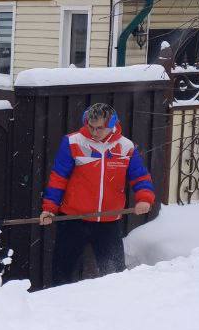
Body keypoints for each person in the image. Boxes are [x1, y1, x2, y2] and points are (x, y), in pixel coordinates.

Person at [39, 102, 155, 285]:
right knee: (63, 274)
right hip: (73, 220)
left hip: (108, 222)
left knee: (115, 275)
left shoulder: (126, 147)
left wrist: (144, 199)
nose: (94, 132)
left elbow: (140, 177)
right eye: (90, 127)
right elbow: (58, 178)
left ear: (112, 125)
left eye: (99, 128)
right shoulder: (73, 142)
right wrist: (49, 208)